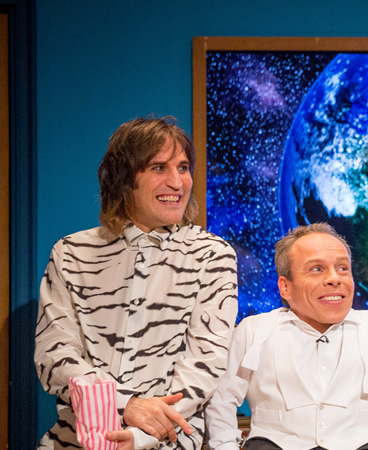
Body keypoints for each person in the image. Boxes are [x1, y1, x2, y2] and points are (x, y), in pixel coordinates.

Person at [34, 116, 239, 449]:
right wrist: (125, 405)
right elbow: (54, 356)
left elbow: (206, 365)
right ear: (124, 179)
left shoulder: (212, 255)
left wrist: (142, 434)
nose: (177, 182)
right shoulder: (71, 253)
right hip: (78, 440)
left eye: (184, 167)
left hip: (167, 440)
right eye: (159, 168)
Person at [206, 223, 368, 450]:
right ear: (285, 287)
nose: (335, 279)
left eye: (343, 268)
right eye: (317, 269)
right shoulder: (253, 330)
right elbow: (220, 400)